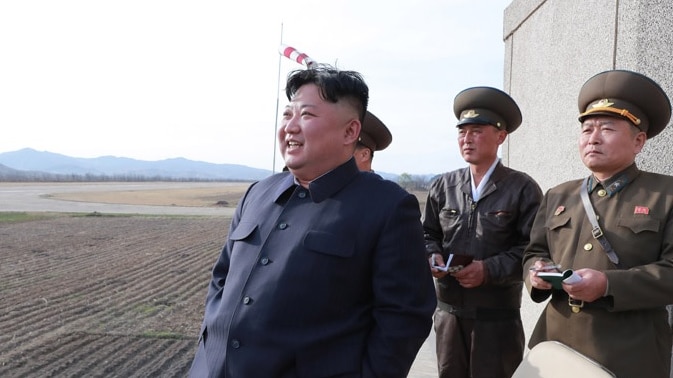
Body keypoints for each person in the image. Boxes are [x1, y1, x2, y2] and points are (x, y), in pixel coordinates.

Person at [189, 64, 437, 378]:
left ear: (350, 132)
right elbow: (221, 279)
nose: (290, 127)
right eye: (287, 114)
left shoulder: (387, 207)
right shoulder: (258, 193)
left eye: (306, 115)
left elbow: (405, 317)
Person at [524, 69, 673, 378]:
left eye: (607, 128)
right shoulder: (558, 194)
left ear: (639, 141)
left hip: (628, 354)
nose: (593, 138)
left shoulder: (666, 194)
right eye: (587, 129)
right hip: (556, 346)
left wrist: (607, 285)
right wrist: (536, 273)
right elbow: (533, 253)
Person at [422, 86, 543, 378]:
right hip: (449, 315)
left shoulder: (521, 188)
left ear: (501, 136)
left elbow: (532, 249)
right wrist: (432, 257)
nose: (467, 139)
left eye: (477, 130)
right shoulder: (443, 186)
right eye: (462, 132)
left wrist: (487, 270)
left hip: (497, 321)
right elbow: (428, 235)